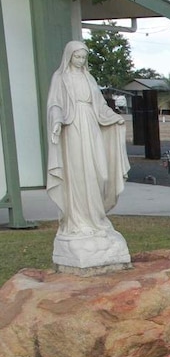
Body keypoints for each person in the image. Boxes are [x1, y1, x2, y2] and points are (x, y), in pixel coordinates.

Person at [46, 40, 130, 240]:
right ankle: (79, 221)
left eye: (83, 57)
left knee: (100, 173)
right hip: (73, 127)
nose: (81, 60)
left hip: (91, 125)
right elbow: (54, 104)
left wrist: (114, 118)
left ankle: (98, 218)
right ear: (69, 56)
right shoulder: (60, 77)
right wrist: (57, 120)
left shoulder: (89, 77)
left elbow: (100, 105)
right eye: (77, 56)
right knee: (79, 173)